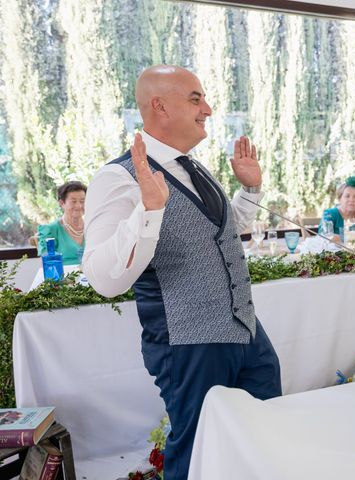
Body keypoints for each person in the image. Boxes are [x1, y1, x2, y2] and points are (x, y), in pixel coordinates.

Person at [82, 65, 281, 480]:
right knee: (195, 452)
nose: (207, 108)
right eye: (195, 98)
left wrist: (250, 191)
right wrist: (148, 211)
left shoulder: (193, 168)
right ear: (159, 106)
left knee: (261, 436)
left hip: (245, 331)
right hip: (188, 344)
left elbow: (217, 236)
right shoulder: (117, 179)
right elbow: (103, 279)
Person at [37, 181, 87, 265]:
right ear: (62, 203)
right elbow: (49, 264)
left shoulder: (92, 226)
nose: (79, 206)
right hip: (65, 276)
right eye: (73, 201)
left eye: (82, 201)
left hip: (92, 276)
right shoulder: (50, 230)